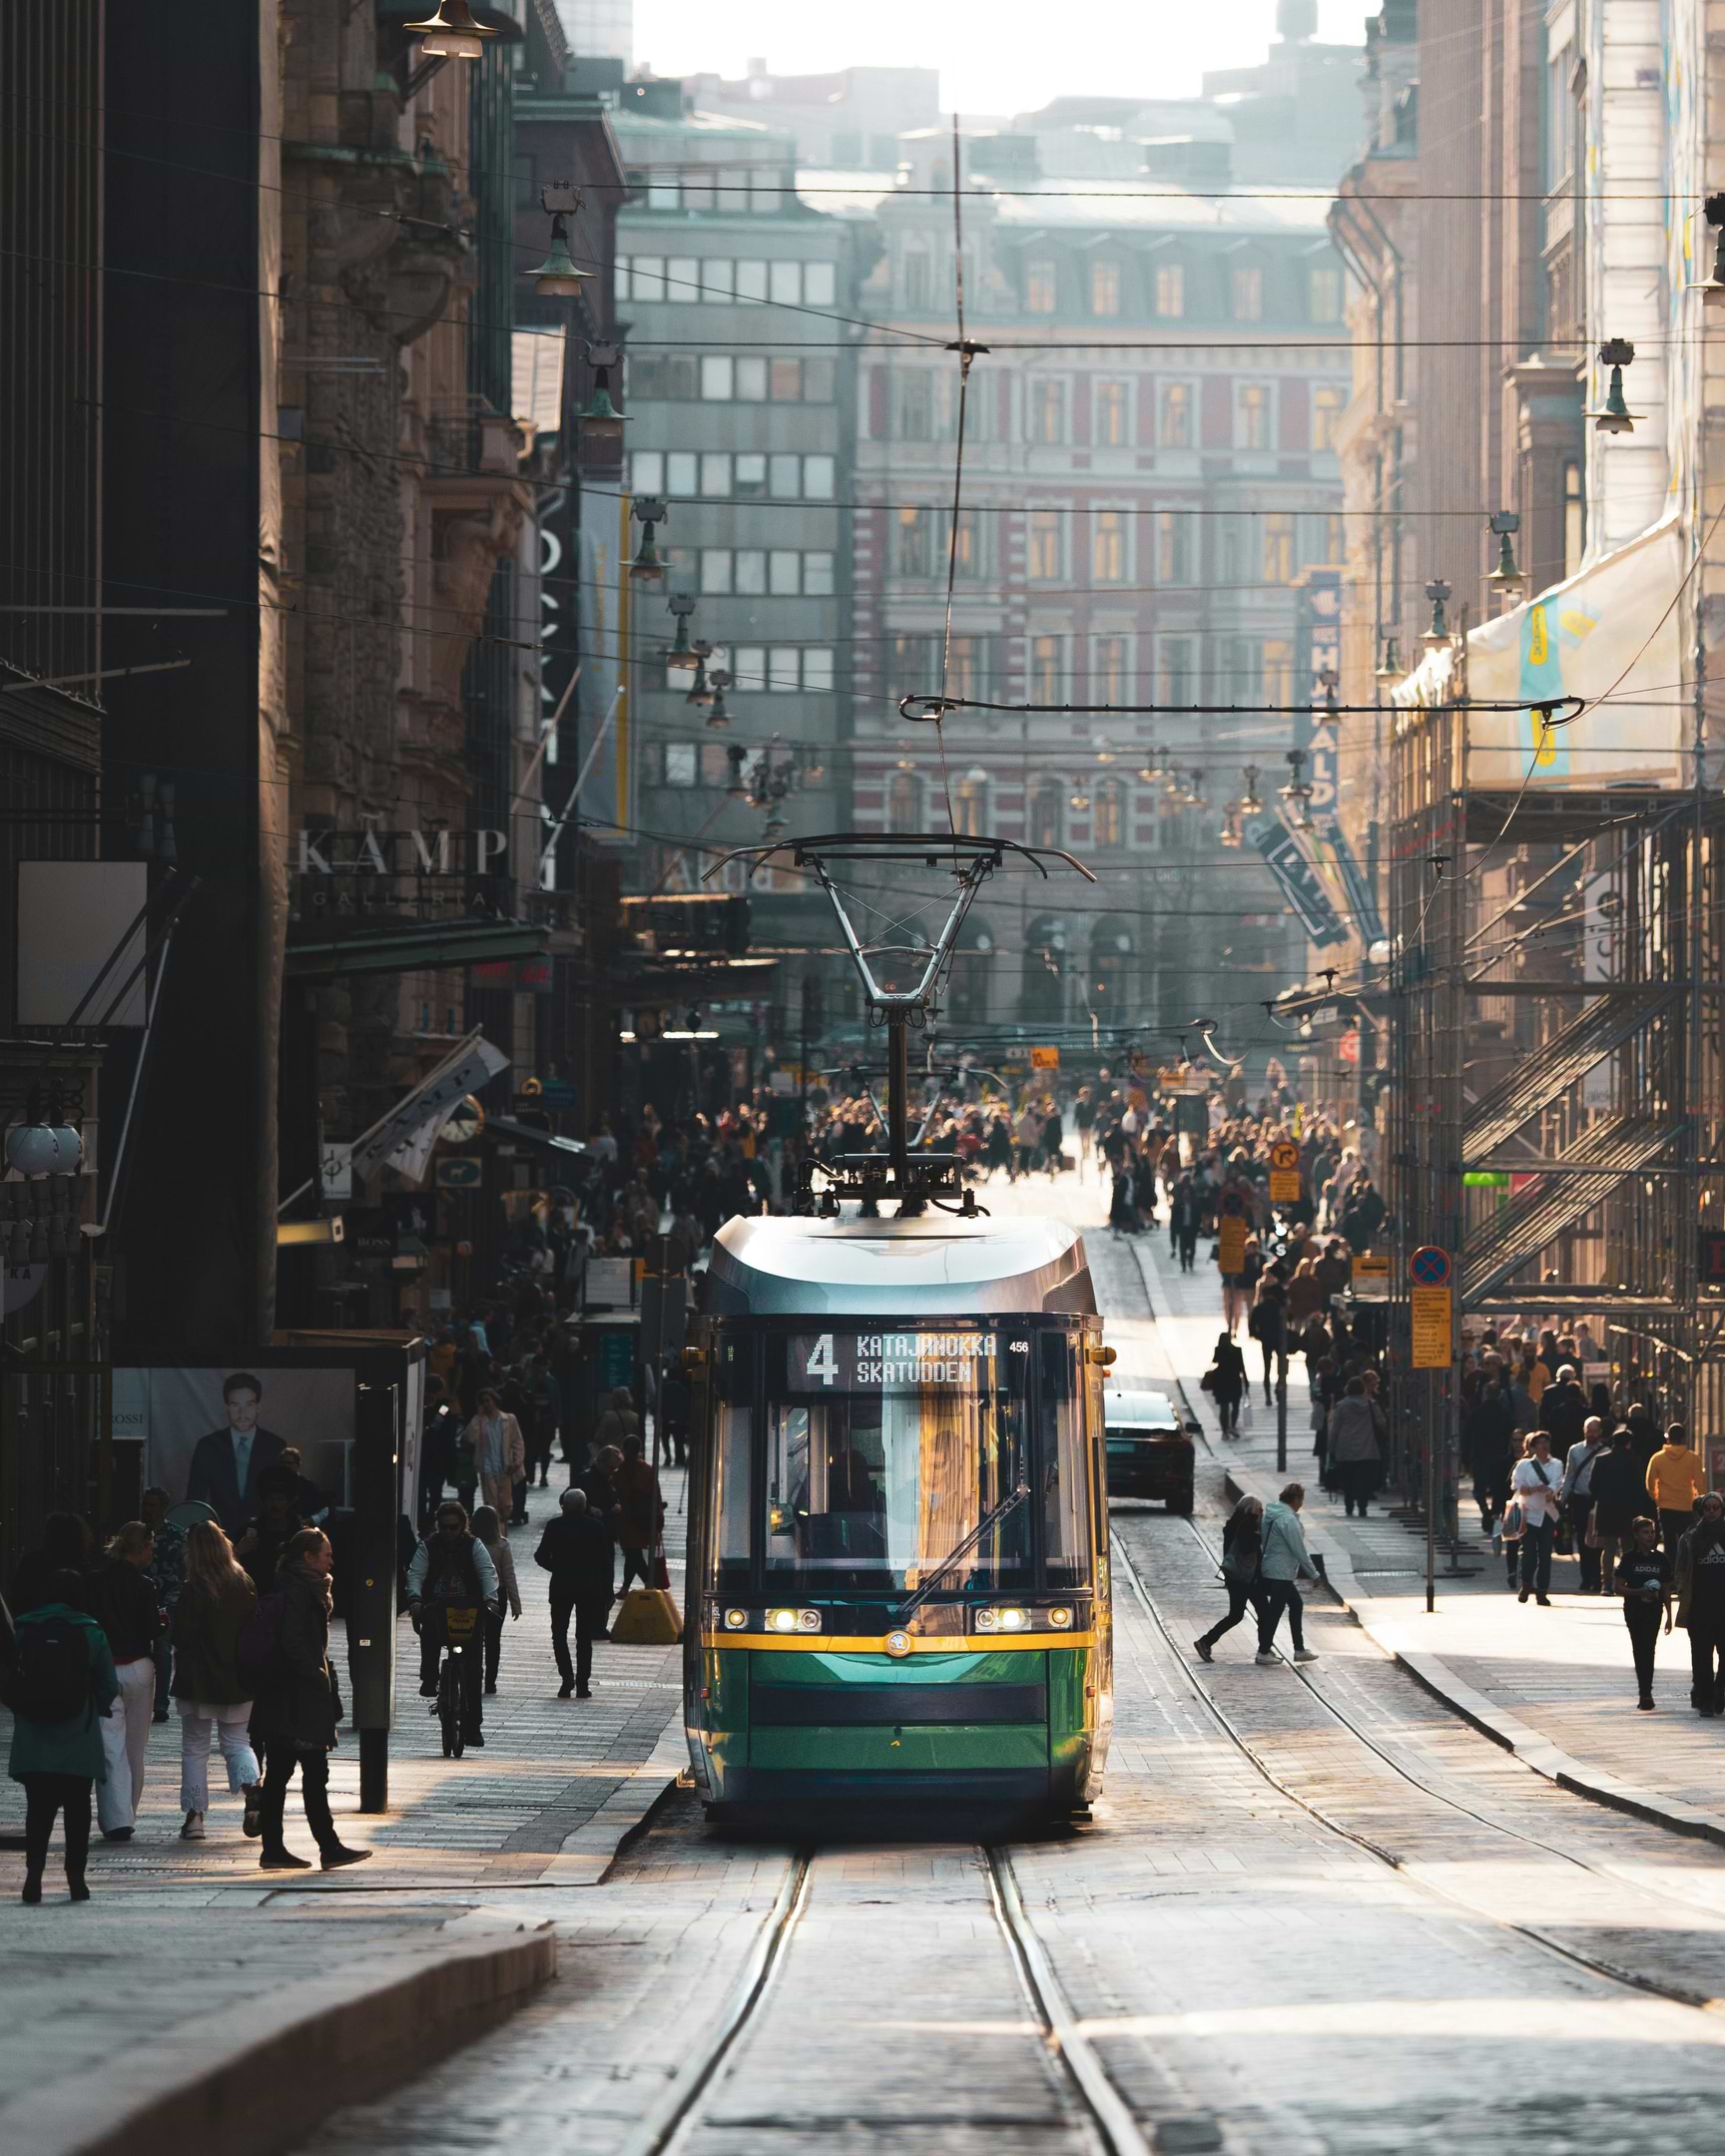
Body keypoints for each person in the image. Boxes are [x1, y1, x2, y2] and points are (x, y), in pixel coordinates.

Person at [249, 1528, 369, 1871]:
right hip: (297, 1700)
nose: (332, 1559)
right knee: (314, 1774)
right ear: (308, 1557)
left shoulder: (295, 1587)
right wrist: (318, 1677)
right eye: (326, 1554)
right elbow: (293, 1644)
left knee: (280, 1775)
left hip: (285, 1700)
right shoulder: (300, 1592)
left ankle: (275, 1849)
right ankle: (327, 1847)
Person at [6, 1568, 117, 1903]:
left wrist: (21, 1704)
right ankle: (76, 1878)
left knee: (38, 1809)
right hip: (78, 1736)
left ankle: (34, 1877)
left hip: (33, 1737)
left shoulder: (23, 1626)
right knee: (78, 1809)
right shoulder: (90, 1630)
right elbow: (108, 1684)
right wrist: (96, 1705)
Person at [171, 1520, 262, 1842]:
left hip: (198, 1679)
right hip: (237, 1677)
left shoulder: (194, 1588)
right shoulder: (243, 1582)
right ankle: (252, 1790)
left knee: (194, 1748)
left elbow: (182, 1634)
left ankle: (195, 1819)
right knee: (238, 1743)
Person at [88, 1521, 163, 1842]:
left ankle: (116, 1818)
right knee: (135, 1747)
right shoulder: (146, 1586)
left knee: (110, 1746)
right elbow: (151, 1630)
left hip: (105, 1667)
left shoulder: (95, 1581)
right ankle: (128, 1813)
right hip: (139, 1667)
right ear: (143, 1548)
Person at [405, 1501, 499, 1749]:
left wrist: (490, 1598)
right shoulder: (428, 1546)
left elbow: (486, 1572)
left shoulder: (473, 1545)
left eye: (453, 1527)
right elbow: (416, 1573)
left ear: (462, 1525)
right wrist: (415, 1598)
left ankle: (474, 1726)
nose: (448, 1532)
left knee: (473, 1669)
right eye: (444, 1527)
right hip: (437, 1606)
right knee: (430, 1634)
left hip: (468, 1607)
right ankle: (429, 1678)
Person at [185, 1371, 288, 1537]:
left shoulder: (275, 1446)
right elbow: (194, 1501)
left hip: (264, 1539)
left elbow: (284, 1501)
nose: (242, 1413)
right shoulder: (208, 1446)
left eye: (249, 1405)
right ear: (226, 1407)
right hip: (218, 1540)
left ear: (258, 1406)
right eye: (235, 1405)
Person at [534, 1487, 615, 1699]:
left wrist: (557, 1567)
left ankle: (566, 1677)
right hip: (589, 1588)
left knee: (559, 1634)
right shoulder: (596, 1527)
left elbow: (540, 1555)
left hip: (562, 1586)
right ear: (584, 1505)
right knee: (584, 1637)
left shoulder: (554, 1526)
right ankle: (582, 1684)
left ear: (565, 1506)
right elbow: (605, 1562)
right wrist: (607, 1590)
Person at [1193, 1495, 1264, 1663]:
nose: (1262, 1512)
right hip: (1244, 1577)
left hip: (1236, 1576)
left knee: (1247, 1613)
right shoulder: (1247, 1524)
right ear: (1251, 1510)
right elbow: (1248, 1547)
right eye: (1260, 1509)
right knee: (1250, 1613)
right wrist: (1259, 1535)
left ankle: (1206, 1641)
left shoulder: (1234, 1523)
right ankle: (1264, 1650)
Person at [1255, 1483, 1321, 1665]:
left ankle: (1298, 1649)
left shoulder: (1273, 1514)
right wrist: (1314, 1573)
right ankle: (1263, 1651)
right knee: (1275, 1612)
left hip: (1272, 1568)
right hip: (1281, 1572)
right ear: (1295, 1499)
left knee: (1296, 1604)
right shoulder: (1288, 1520)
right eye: (1301, 1500)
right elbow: (1299, 1549)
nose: (1301, 1504)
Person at [1674, 1491, 1725, 1717]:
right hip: (1700, 1606)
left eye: (1716, 1507)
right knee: (1701, 1656)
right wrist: (1682, 1589)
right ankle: (1705, 1698)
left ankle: (1719, 1690)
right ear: (1702, 1510)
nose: (1712, 1511)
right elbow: (1681, 1567)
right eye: (1708, 1508)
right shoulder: (1691, 1536)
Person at [1617, 1516, 1673, 1712]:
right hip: (1634, 1610)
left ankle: (1646, 1693)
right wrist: (1639, 1591)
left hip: (1653, 1611)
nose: (1650, 1536)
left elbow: (1666, 1589)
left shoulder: (1661, 1559)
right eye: (1645, 1532)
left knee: (1649, 1649)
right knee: (1639, 1648)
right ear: (1636, 1535)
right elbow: (1618, 1587)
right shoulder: (1629, 1558)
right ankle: (1644, 1691)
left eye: (1652, 1532)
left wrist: (1669, 1615)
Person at [140, 1486, 185, 1723]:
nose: (146, 1509)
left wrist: (173, 1599)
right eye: (145, 1504)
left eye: (152, 1505)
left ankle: (160, 1704)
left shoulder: (176, 1535)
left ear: (163, 1508)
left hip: (165, 1599)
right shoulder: (135, 1533)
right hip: (137, 1599)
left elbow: (182, 1570)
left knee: (163, 1650)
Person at [469, 1505, 520, 1697]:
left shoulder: (471, 1543)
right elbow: (509, 1576)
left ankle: (475, 1675)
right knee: (493, 1640)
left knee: (474, 1639)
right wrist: (516, 1604)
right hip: (498, 1597)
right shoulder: (502, 1545)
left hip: (474, 1595)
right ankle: (490, 1682)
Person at [1587, 1426, 1643, 1596]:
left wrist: (1602, 1498)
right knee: (1627, 1547)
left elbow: (1592, 1486)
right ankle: (1625, 1581)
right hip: (1628, 1509)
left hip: (1606, 1508)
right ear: (1628, 1443)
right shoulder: (1634, 1459)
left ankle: (1607, 1584)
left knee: (1609, 1547)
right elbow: (1639, 1487)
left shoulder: (1601, 1460)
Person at [1509, 1430, 1563, 1605]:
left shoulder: (1556, 1464)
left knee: (1546, 1554)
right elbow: (1517, 1486)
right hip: (1529, 1513)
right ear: (1532, 1447)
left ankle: (1542, 1591)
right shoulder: (1524, 1465)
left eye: (1546, 1442)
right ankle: (1526, 1584)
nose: (1544, 1446)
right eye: (1540, 1443)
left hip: (1547, 1514)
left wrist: (1550, 1492)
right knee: (1529, 1553)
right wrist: (1534, 1489)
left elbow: (1557, 1483)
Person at [1559, 1417, 1609, 1593]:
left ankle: (1597, 1577)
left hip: (1597, 1501)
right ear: (1584, 1430)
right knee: (1581, 1539)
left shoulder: (1606, 1452)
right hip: (1580, 1500)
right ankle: (1586, 1577)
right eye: (1589, 1430)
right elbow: (1569, 1476)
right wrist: (1562, 1500)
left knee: (1597, 1541)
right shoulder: (1575, 1450)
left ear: (1600, 1432)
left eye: (1595, 1430)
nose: (1592, 1434)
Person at [9, 1512, 92, 1618]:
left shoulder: (31, 1561)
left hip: (34, 1626)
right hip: (74, 1628)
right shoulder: (81, 1564)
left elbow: (17, 1599)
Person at [463, 1388, 525, 1522]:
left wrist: (517, 1461)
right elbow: (470, 1438)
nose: (486, 1404)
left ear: (495, 1401)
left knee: (506, 1504)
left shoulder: (508, 1419)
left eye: (488, 1401)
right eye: (483, 1402)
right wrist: (477, 1418)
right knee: (491, 1504)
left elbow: (517, 1441)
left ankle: (502, 1531)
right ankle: (496, 1533)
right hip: (487, 1466)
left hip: (505, 1466)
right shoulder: (479, 1421)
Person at [615, 1434, 666, 1596]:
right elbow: (655, 1494)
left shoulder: (620, 1470)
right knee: (632, 1553)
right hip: (643, 1517)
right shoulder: (647, 1469)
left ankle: (647, 1583)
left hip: (627, 1518)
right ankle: (630, 1586)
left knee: (632, 1553)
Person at [1326, 1378, 1384, 1520]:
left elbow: (1335, 1429)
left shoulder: (1341, 1406)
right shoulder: (1371, 1405)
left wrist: (1330, 1448)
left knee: (1348, 1480)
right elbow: (1381, 1422)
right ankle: (1362, 1506)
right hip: (1367, 1448)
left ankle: (1349, 1505)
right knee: (1363, 1480)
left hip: (1345, 1448)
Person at [1646, 1423, 1706, 1554]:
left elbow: (1650, 1483)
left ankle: (1670, 1568)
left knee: (1668, 1539)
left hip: (1665, 1505)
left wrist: (1657, 1498)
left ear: (1668, 1439)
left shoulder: (1657, 1458)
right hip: (1687, 1505)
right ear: (1684, 1439)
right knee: (1686, 1539)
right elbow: (1700, 1483)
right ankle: (1684, 1569)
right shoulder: (1693, 1458)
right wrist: (1701, 1503)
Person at [1201, 1332, 1248, 1438]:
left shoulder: (1219, 1350)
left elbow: (1214, 1361)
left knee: (1224, 1407)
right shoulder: (1237, 1350)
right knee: (1235, 1406)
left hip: (1221, 1382)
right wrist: (1246, 1382)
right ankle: (1232, 1426)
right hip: (1234, 1381)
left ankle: (1225, 1430)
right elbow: (1242, 1367)